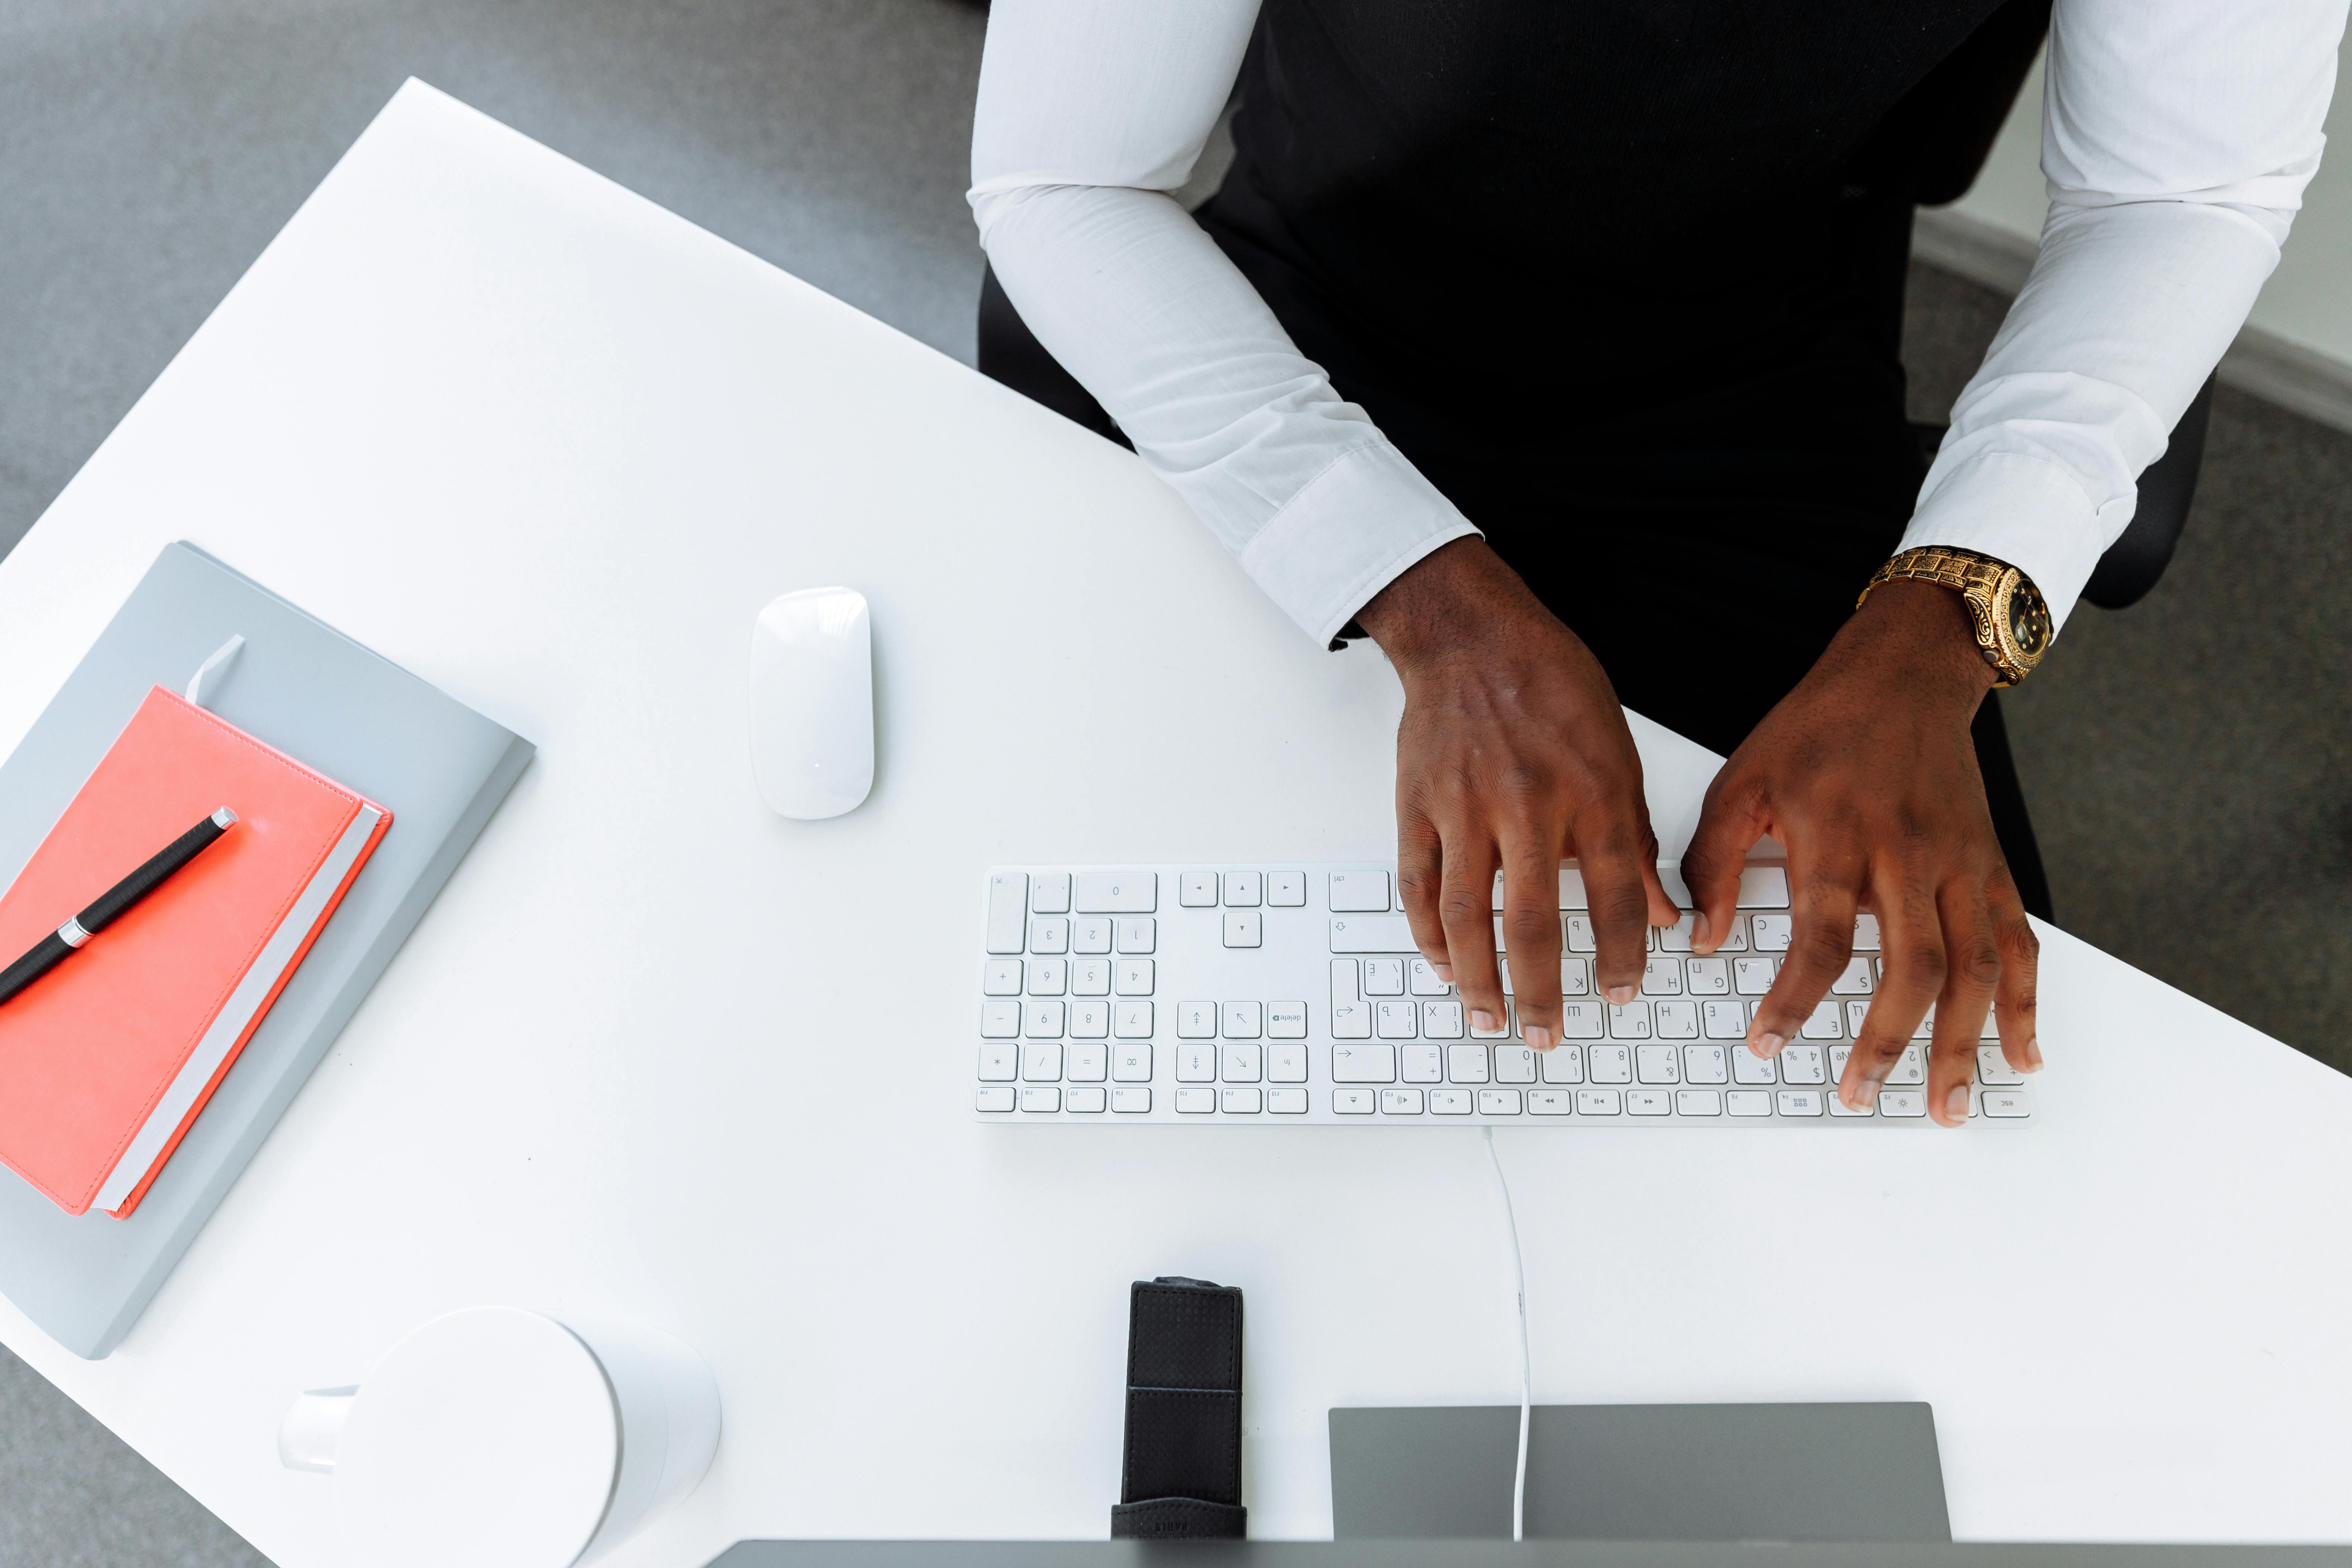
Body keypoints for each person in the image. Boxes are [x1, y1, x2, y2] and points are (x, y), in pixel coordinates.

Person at [966, 0, 2346, 1126]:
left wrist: (1939, 630)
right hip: (1312, 333)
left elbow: (2183, 195)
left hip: (1755, 386)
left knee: (1906, 1124)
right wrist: (1423, 593)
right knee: (1118, 1006)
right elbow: (1065, 179)